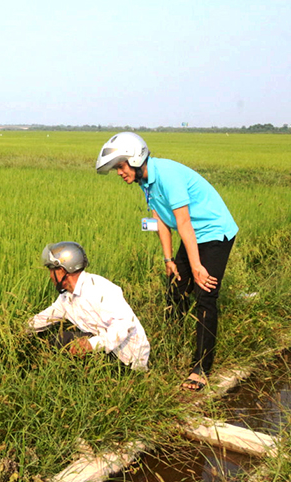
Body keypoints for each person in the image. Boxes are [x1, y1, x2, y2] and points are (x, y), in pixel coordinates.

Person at [96, 132, 238, 391]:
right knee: (176, 290)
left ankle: (201, 368)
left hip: (214, 232)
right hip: (194, 235)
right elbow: (160, 220)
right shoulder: (145, 181)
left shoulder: (168, 176)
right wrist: (169, 259)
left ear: (136, 159)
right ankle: (172, 343)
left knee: (205, 293)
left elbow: (182, 222)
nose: (119, 173)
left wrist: (197, 267)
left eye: (120, 166)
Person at [27, 241, 150, 371]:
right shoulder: (66, 297)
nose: (50, 276)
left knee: (64, 343)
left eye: (51, 271)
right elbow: (44, 318)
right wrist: (20, 330)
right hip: (106, 349)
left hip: (127, 359)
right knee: (59, 340)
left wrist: (91, 344)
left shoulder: (98, 288)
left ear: (62, 271)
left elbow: (125, 324)